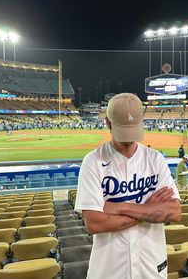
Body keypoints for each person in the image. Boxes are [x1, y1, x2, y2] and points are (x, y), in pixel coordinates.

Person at [75, 93, 181, 279]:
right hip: (109, 270)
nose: (129, 138)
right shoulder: (92, 162)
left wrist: (120, 207)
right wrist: (149, 210)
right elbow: (94, 223)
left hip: (151, 267)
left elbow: (173, 212)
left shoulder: (155, 159)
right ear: (108, 123)